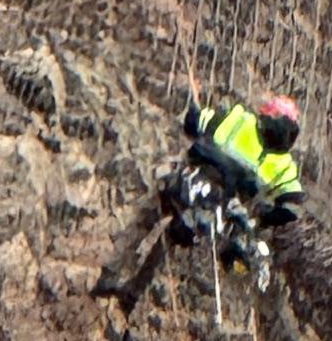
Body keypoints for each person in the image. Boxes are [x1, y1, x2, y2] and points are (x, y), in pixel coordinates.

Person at [94, 94, 305, 314]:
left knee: (148, 218)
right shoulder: (284, 167)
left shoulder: (241, 120)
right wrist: (262, 218)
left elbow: (196, 121)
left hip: (192, 180)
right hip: (221, 210)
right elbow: (291, 207)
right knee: (171, 239)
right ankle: (133, 294)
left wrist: (195, 114)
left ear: (268, 115)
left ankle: (112, 276)